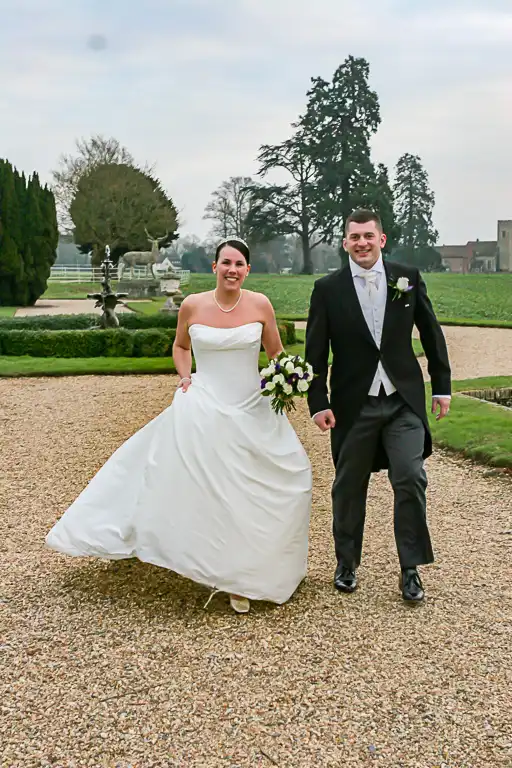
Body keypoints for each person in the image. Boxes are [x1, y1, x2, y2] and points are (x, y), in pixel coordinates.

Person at [46, 238, 312, 614]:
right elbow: (181, 346)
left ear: (247, 270)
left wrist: (286, 378)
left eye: (239, 264)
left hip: (252, 405)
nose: (232, 269)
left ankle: (247, 573)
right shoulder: (192, 305)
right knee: (207, 487)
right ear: (214, 267)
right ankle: (212, 564)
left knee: (278, 479)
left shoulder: (260, 305)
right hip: (204, 403)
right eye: (225, 263)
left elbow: (275, 354)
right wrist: (185, 377)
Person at [305, 209, 451, 603]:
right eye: (354, 237)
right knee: (348, 486)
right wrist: (317, 401)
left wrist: (442, 386)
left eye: (369, 236)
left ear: (381, 240)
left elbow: (432, 333)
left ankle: (410, 568)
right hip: (354, 405)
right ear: (344, 243)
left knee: (410, 477)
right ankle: (347, 563)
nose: (362, 243)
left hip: (403, 401)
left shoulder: (407, 278)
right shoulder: (328, 289)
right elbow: (315, 352)